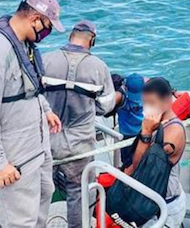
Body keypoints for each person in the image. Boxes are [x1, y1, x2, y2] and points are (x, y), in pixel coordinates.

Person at [0, 0, 64, 228]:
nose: (47, 33)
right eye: (48, 26)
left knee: (42, 204)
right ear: (34, 18)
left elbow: (31, 85)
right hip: (15, 158)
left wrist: (45, 109)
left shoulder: (23, 45)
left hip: (37, 150)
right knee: (20, 221)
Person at [42, 20, 117, 228]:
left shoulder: (46, 60)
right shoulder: (99, 67)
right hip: (79, 146)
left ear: (70, 36)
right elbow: (106, 105)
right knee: (79, 193)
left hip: (46, 141)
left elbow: (34, 98)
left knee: (40, 191)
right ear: (91, 41)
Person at [126, 77, 187, 228]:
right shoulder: (157, 123)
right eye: (145, 103)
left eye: (151, 103)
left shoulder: (174, 132)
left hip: (166, 205)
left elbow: (141, 165)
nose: (146, 108)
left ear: (166, 101)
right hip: (152, 200)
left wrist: (146, 131)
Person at [117, 73, 146, 167]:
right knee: (142, 161)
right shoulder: (147, 99)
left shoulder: (122, 99)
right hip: (143, 135)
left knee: (126, 163)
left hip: (126, 137)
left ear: (126, 88)